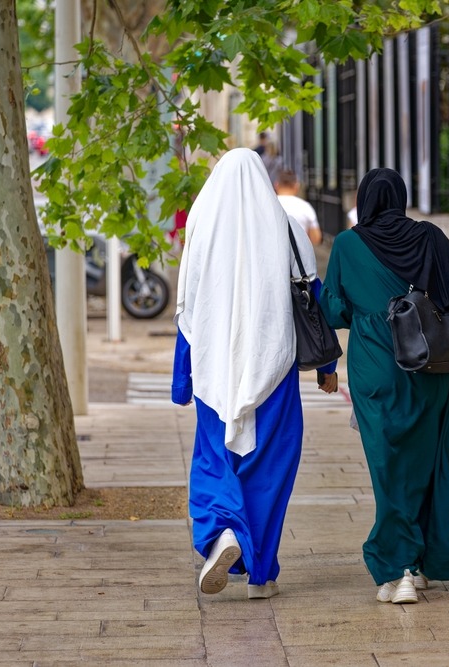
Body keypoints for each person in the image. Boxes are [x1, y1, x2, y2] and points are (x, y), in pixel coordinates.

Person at [320, 168, 449, 604]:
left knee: (389, 467)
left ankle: (395, 568)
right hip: (432, 369)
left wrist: (365, 310)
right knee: (430, 462)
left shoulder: (347, 244)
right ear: (399, 198)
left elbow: (333, 309)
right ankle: (420, 562)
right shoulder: (430, 237)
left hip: (377, 367)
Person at [171, 148, 338, 599]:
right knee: (268, 469)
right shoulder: (288, 231)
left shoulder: (203, 232)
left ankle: (221, 533)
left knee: (213, 457)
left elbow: (186, 309)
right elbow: (313, 297)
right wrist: (327, 367)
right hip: (275, 369)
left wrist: (182, 380)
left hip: (214, 372)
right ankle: (260, 575)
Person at [275, 169, 322, 246]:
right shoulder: (306, 207)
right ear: (296, 186)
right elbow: (316, 238)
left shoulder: (268, 205)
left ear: (276, 185)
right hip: (300, 254)